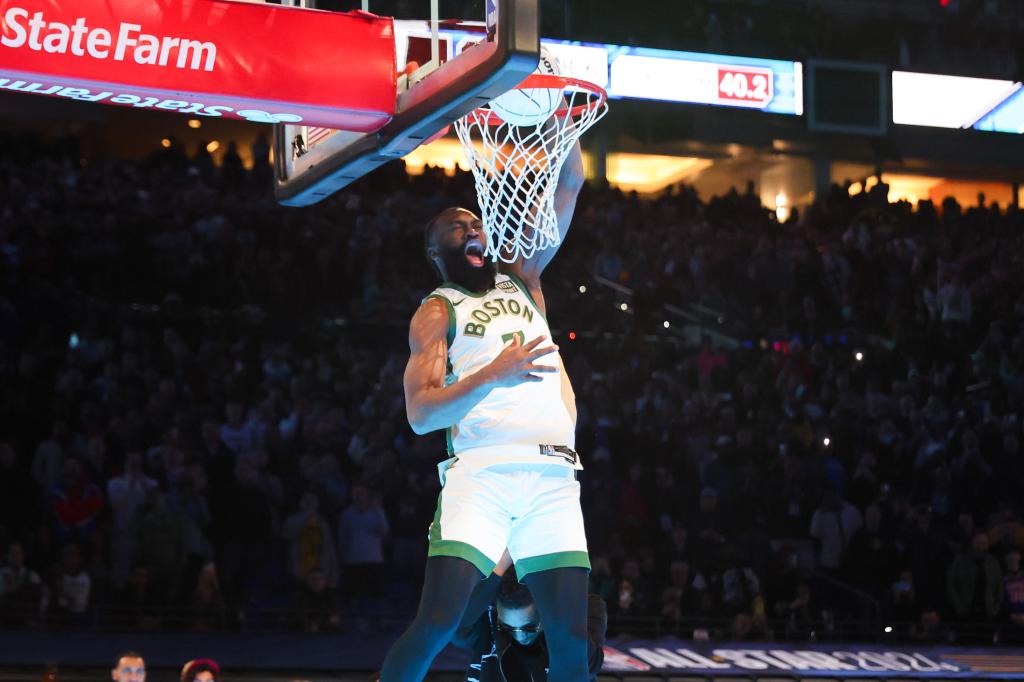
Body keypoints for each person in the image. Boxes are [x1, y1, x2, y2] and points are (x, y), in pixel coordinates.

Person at [380, 134, 588, 681]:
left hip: (554, 473)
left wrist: (563, 121)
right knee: (438, 621)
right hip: (483, 474)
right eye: (458, 229)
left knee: (572, 641)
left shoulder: (523, 278)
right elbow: (422, 413)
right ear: (438, 253)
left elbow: (570, 183)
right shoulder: (436, 309)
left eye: (475, 224)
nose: (473, 230)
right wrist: (494, 373)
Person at [458, 574, 607, 681]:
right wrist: (498, 571)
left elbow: (589, 666)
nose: (520, 636)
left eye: (529, 628)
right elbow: (458, 633)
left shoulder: (586, 607)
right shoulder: (487, 613)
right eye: (507, 627)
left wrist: (557, 608)